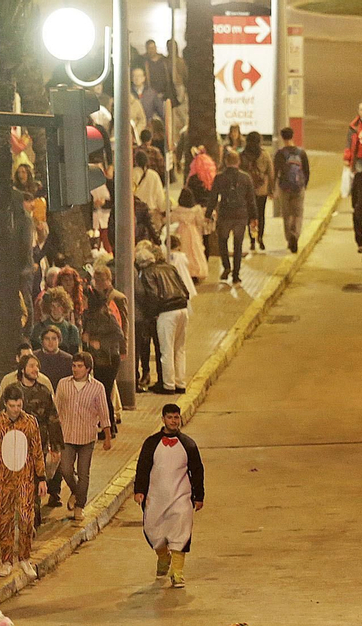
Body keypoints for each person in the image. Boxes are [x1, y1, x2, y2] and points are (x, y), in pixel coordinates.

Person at [133, 403, 205, 587]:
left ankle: (178, 572)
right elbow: (142, 468)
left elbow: (197, 471)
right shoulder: (151, 443)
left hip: (181, 495)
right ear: (163, 419)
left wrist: (199, 496)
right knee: (153, 530)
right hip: (155, 496)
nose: (174, 421)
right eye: (170, 417)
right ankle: (163, 556)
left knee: (181, 528)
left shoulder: (188, 445)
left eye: (176, 417)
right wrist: (139, 490)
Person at [0, 386, 46, 578]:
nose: (16, 409)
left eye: (19, 405)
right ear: (5, 404)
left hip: (25, 479)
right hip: (2, 481)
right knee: (4, 521)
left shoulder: (30, 423)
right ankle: (6, 560)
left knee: (27, 519)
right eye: (12, 405)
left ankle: (24, 558)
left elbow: (37, 451)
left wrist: (41, 477)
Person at [52, 352, 111, 524]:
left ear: (88, 369)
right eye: (74, 366)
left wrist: (107, 437)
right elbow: (56, 410)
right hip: (67, 435)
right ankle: (77, 492)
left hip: (87, 437)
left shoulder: (97, 387)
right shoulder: (63, 384)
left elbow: (104, 413)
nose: (76, 369)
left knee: (84, 472)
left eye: (80, 366)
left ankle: (79, 506)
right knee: (65, 469)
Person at [135, 241, 195, 395]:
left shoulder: (148, 273)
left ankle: (168, 385)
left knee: (166, 350)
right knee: (179, 349)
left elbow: (153, 295)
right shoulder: (170, 268)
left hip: (166, 312)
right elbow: (184, 289)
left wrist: (152, 314)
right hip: (182, 308)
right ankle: (180, 382)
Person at [210, 149, 257, 285]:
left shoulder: (219, 177)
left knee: (222, 242)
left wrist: (208, 214)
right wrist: (254, 217)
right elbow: (251, 200)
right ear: (239, 162)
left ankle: (226, 267)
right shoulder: (246, 177)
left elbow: (213, 198)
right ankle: (236, 275)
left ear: (226, 162)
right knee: (238, 245)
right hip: (241, 215)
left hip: (225, 214)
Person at [272, 127, 310, 253]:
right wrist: (304, 185)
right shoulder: (301, 153)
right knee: (298, 214)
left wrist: (273, 188)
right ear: (293, 136)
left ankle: (289, 238)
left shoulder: (280, 154)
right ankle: (295, 234)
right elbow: (306, 171)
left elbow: (275, 172)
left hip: (284, 187)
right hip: (298, 188)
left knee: (286, 214)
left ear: (282, 138)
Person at [169, 188, 210, 281]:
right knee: (194, 252)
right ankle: (195, 272)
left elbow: (172, 220)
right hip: (193, 232)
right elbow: (200, 222)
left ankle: (183, 272)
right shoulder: (196, 210)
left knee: (182, 250)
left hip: (180, 232)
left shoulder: (176, 210)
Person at [242, 131, 273, 252]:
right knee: (261, 214)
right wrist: (271, 189)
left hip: (247, 191)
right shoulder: (265, 155)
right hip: (262, 190)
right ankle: (260, 237)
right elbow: (271, 173)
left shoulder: (243, 155)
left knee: (250, 216)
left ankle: (252, 240)